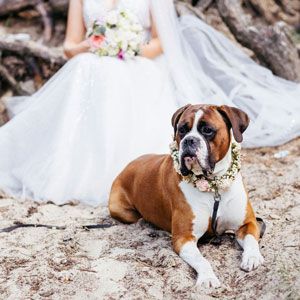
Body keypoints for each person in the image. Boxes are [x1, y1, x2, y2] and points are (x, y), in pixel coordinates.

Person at [0, 0, 299, 206]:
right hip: (91, 62)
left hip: (139, 62)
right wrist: (93, 46)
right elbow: (68, 46)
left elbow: (160, 41)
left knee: (112, 74)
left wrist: (125, 47)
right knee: (88, 68)